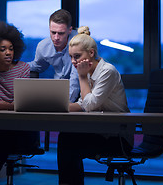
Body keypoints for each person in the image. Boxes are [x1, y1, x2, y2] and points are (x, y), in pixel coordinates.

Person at [57, 26, 133, 185]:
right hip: (102, 131)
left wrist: (82, 77)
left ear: (91, 53)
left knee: (68, 141)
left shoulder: (107, 71)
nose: (73, 62)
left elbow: (89, 105)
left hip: (117, 136)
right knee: (66, 137)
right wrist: (57, 105)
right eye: (71, 57)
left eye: (77, 56)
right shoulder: (89, 71)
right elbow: (82, 103)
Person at [0, 21, 40, 185]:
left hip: (22, 130)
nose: (8, 53)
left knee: (0, 144)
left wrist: (5, 105)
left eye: (11, 48)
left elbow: (24, 102)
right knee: (1, 139)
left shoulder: (23, 68)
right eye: (2, 49)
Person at [28, 9, 80, 102]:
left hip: (82, 93)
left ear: (70, 30)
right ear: (49, 28)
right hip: (58, 90)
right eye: (53, 32)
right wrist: (14, 65)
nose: (56, 38)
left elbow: (75, 80)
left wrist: (65, 105)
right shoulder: (43, 46)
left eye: (61, 33)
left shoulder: (79, 42)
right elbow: (38, 66)